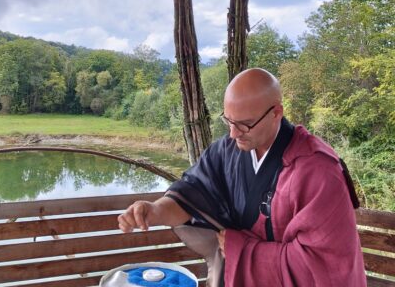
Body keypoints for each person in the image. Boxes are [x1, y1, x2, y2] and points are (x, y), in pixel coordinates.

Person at [118, 68, 366, 286]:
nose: (234, 133)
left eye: (245, 124)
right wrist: (154, 210)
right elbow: (190, 196)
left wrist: (242, 249)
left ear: (276, 112)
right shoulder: (227, 150)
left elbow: (324, 268)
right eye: (229, 121)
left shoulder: (317, 171)